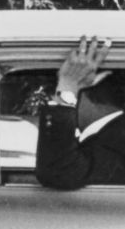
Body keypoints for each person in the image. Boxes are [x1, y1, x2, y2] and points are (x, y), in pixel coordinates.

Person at [35, 35, 125, 189]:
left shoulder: (116, 141)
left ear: (91, 87)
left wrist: (68, 88)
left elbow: (60, 173)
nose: (53, 98)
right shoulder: (112, 136)